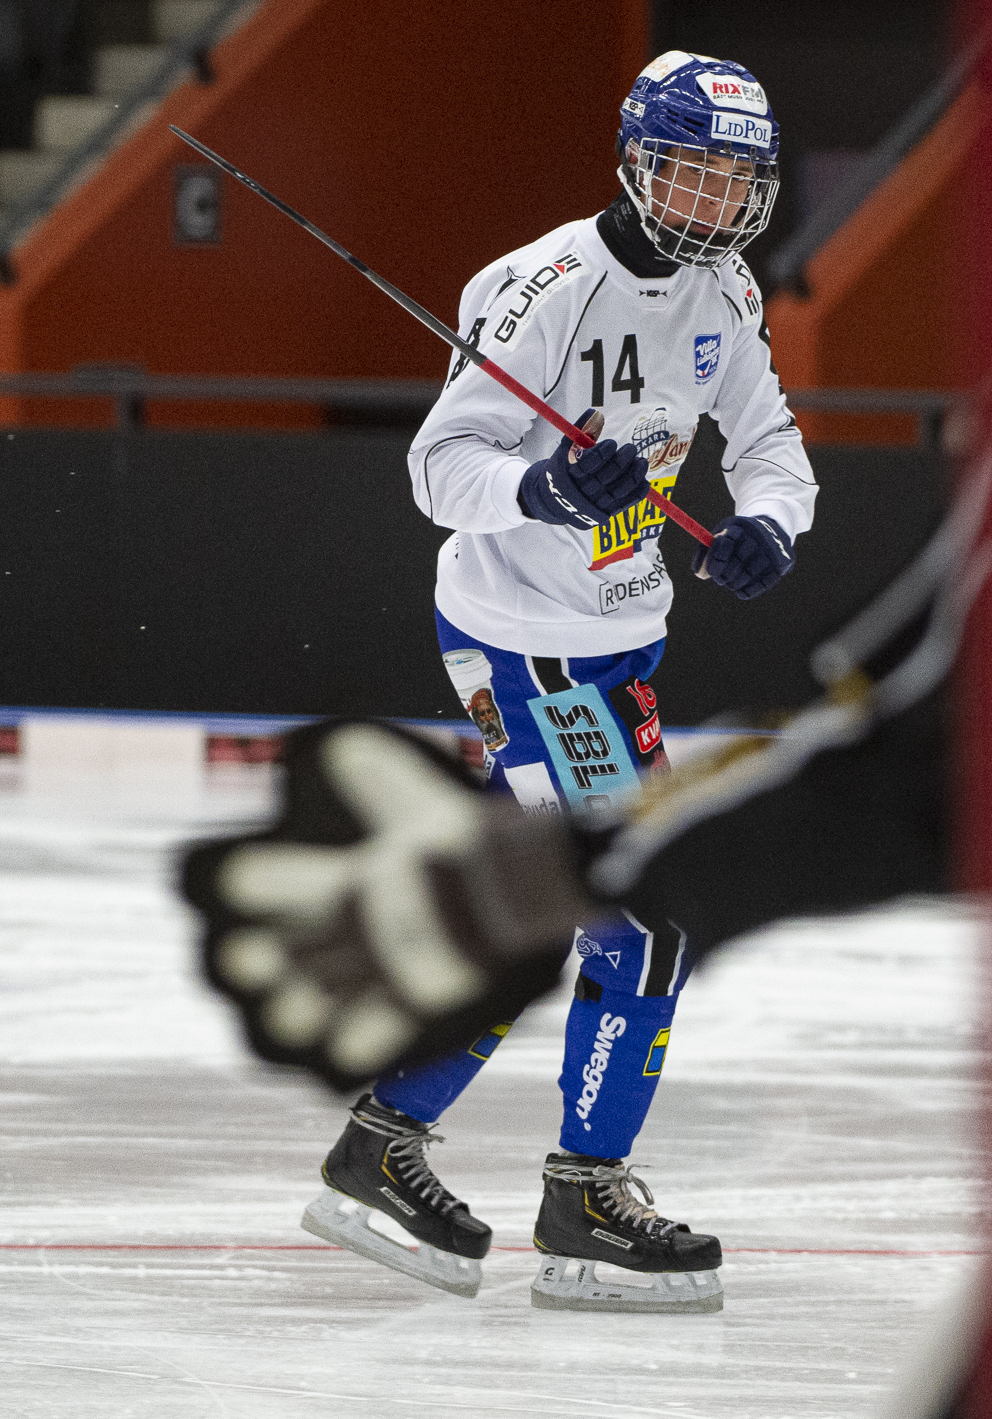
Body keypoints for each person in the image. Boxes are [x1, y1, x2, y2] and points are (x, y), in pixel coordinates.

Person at [292, 49, 816, 1314]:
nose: (711, 201)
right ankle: (583, 1196)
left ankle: (379, 1147)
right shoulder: (540, 290)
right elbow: (437, 471)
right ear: (635, 161)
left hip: (618, 642)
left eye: (733, 179)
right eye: (689, 171)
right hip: (528, 646)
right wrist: (537, 484)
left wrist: (769, 522)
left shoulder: (726, 291)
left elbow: (769, 441)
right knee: (641, 915)